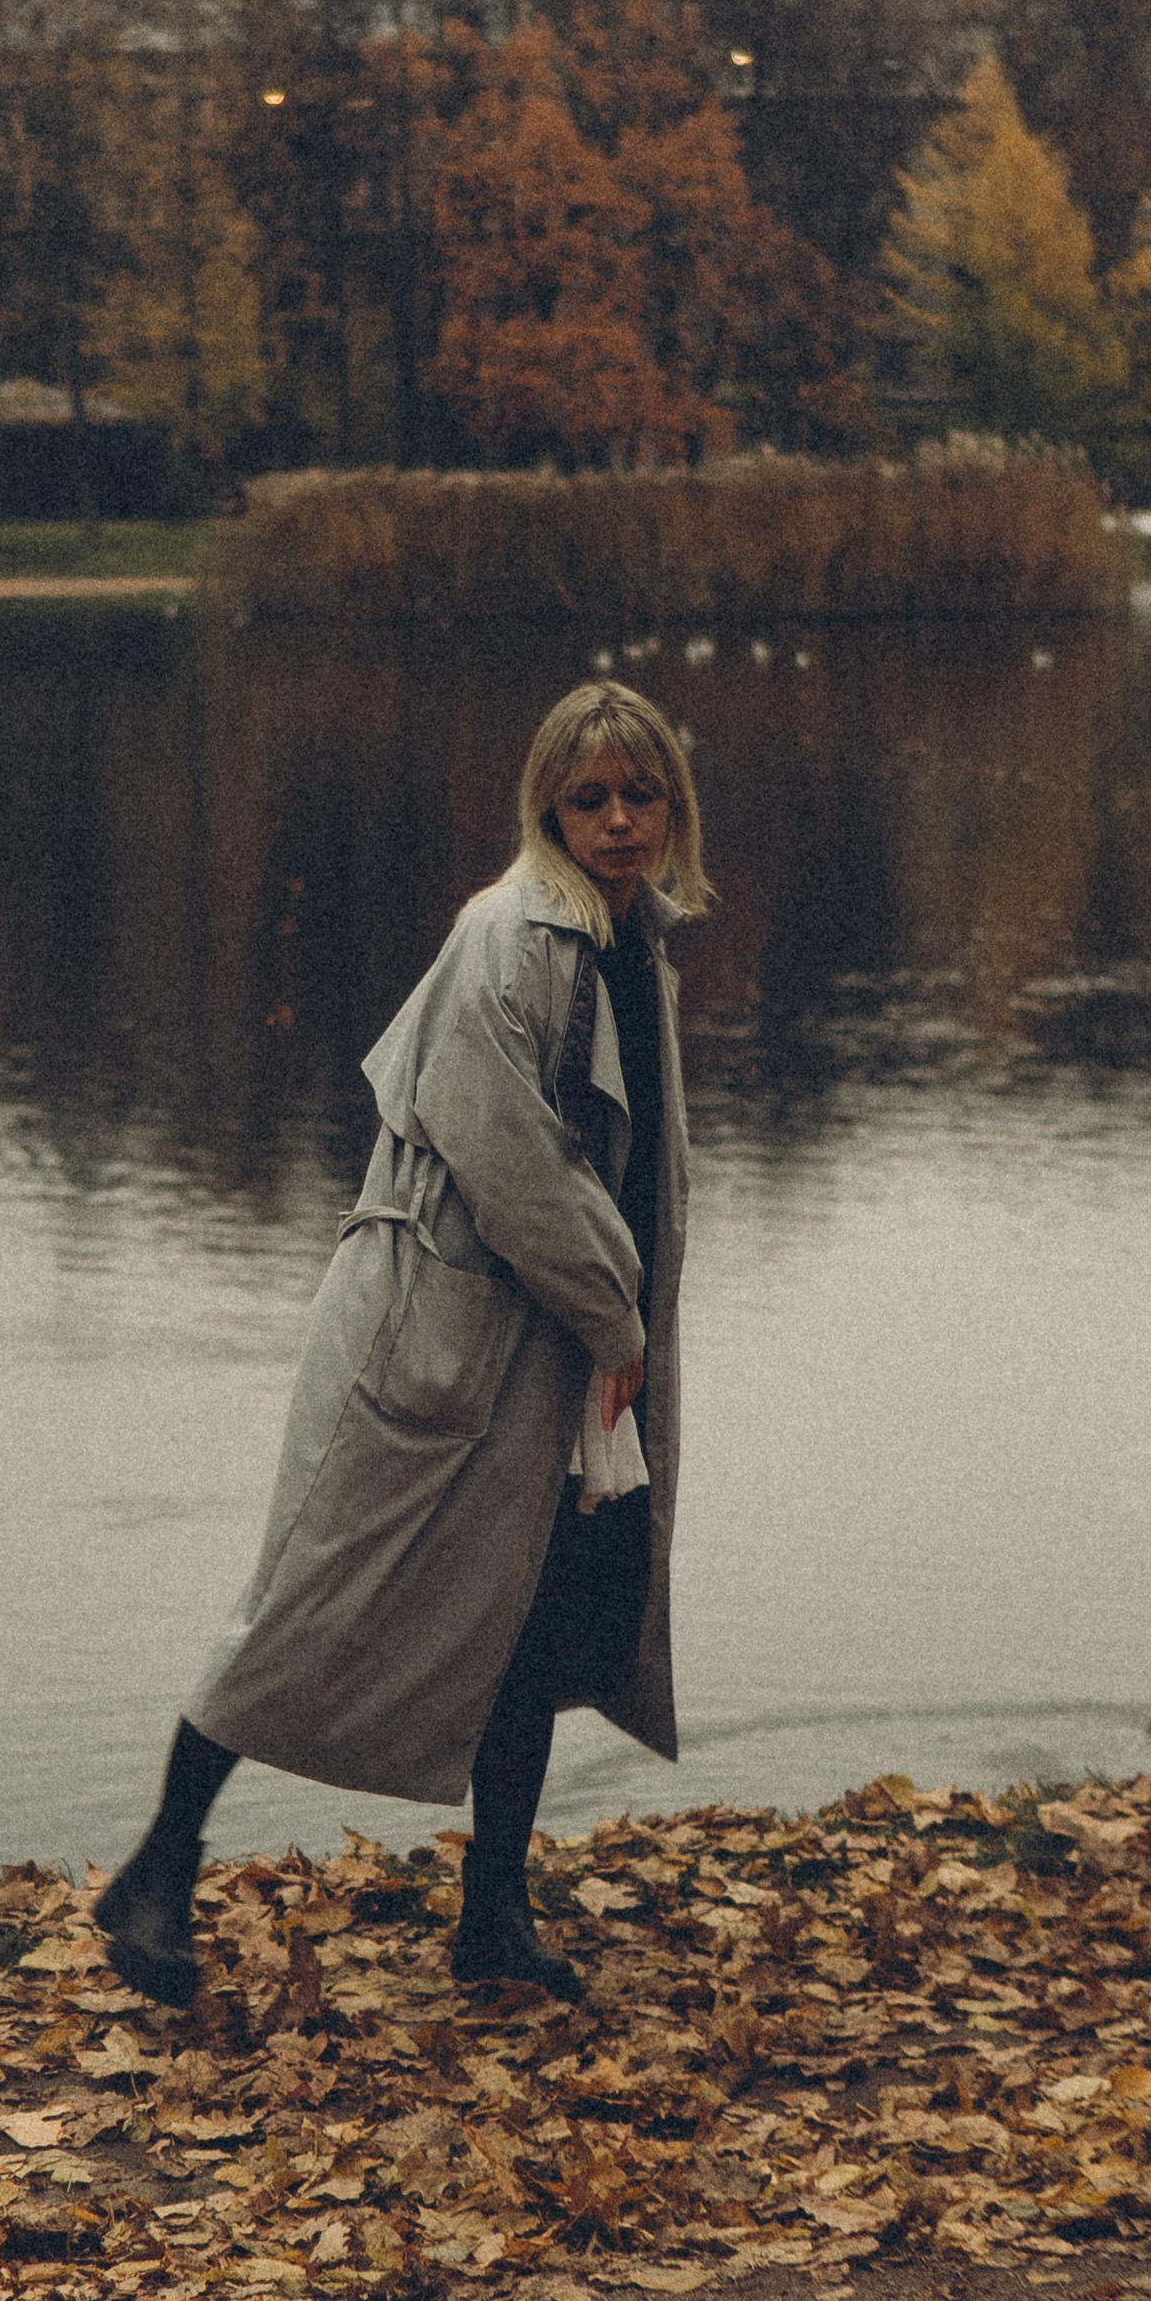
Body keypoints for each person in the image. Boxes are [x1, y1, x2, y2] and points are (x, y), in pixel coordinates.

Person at [96, 678, 707, 2009]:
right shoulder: (514, 937)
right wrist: (618, 1320)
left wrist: (616, 1320)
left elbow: (612, 1162)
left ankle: (493, 1915)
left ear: (672, 807)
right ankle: (156, 1866)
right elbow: (509, 1161)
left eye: (639, 796)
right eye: (589, 797)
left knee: (532, 1626)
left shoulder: (625, 937)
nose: (615, 821)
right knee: (310, 1597)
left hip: (544, 1339)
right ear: (550, 803)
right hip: (438, 1338)